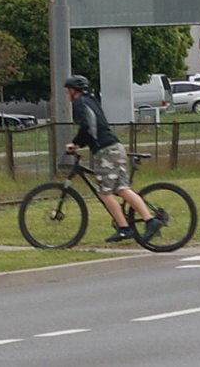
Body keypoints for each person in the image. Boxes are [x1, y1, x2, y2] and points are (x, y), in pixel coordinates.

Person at [63, 75, 162, 243]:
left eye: (67, 91)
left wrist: (75, 143)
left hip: (105, 151)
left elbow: (88, 126)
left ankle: (124, 228)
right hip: (115, 147)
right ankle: (150, 221)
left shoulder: (79, 103)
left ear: (73, 91)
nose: (67, 94)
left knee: (104, 192)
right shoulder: (92, 100)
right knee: (122, 189)